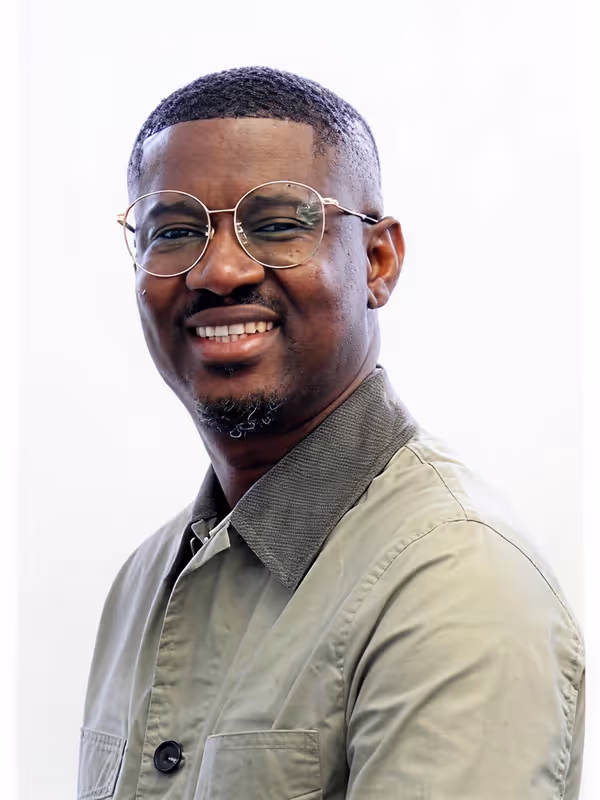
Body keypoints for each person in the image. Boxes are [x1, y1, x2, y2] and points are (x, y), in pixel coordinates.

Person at [78, 66, 585, 799]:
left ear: (378, 262)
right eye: (175, 231)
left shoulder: (457, 581)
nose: (219, 271)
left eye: (278, 223)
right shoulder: (142, 584)